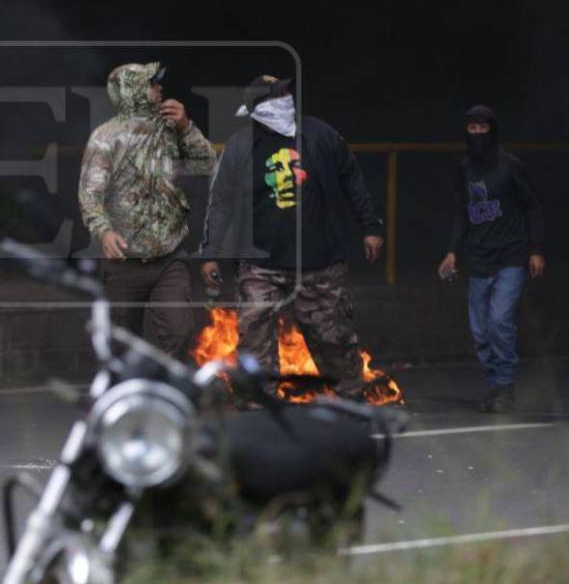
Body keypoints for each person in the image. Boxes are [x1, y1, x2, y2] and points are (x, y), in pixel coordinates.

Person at [199, 76, 384, 399]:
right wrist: (210, 251)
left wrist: (369, 226)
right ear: (260, 109)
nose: (286, 98)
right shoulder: (241, 146)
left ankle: (350, 398)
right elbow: (221, 202)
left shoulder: (320, 134)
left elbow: (352, 178)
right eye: (278, 95)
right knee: (254, 341)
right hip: (260, 264)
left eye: (286, 92)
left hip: (319, 260)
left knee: (334, 337)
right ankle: (260, 401)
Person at [78, 62, 216, 357]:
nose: (160, 88)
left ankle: (169, 394)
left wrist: (186, 127)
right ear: (134, 90)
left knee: (179, 331)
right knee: (121, 343)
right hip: (124, 262)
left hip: (169, 257)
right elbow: (90, 193)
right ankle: (132, 396)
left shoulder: (169, 128)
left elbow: (205, 164)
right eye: (152, 83)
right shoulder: (106, 137)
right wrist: (103, 232)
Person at [437, 105, 544, 413]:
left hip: (510, 254)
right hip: (478, 258)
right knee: (481, 330)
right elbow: (461, 212)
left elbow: (533, 206)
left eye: (484, 128)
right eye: (472, 128)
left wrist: (536, 249)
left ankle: (505, 386)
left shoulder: (510, 166)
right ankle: (495, 385)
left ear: (493, 130)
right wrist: (451, 251)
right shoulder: (464, 169)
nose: (478, 133)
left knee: (499, 321)